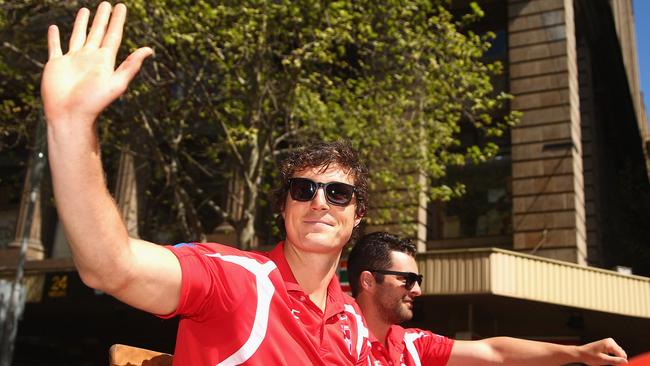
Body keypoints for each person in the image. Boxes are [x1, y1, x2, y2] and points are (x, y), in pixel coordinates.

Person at [41, 2, 371, 365]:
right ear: (283, 206)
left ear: (358, 214)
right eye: (303, 189)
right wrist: (71, 126)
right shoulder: (234, 279)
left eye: (338, 193)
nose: (319, 203)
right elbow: (111, 266)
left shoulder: (354, 323)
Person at [347, 231, 629, 366]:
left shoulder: (412, 345)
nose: (417, 290)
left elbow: (497, 352)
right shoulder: (335, 337)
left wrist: (579, 354)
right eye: (407, 280)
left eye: (418, 280)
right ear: (368, 281)